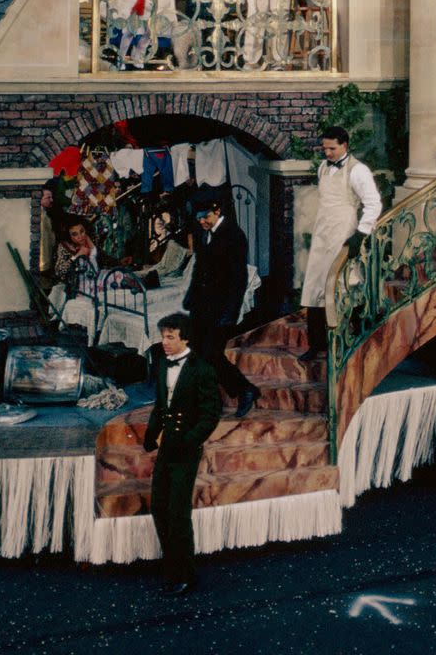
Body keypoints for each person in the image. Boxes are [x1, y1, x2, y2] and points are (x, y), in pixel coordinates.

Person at [143, 312, 222, 595]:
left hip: (186, 449)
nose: (164, 341)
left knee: (177, 512)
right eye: (163, 336)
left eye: (170, 337)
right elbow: (161, 405)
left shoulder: (202, 369)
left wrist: (189, 440)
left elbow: (211, 414)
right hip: (167, 447)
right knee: (159, 508)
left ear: (184, 338)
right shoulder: (163, 364)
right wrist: (150, 437)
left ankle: (185, 574)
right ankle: (171, 566)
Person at [299, 125, 382, 363]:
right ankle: (317, 344)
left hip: (343, 231)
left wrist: (360, 233)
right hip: (322, 231)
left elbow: (374, 204)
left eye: (332, 149)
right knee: (315, 285)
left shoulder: (358, 171)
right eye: (324, 148)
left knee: (343, 283)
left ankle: (351, 339)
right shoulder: (324, 168)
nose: (327, 153)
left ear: (345, 145)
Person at [181, 194, 260, 418]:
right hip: (201, 305)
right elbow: (199, 266)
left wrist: (231, 312)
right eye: (198, 218)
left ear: (216, 210)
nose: (202, 222)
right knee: (195, 352)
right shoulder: (202, 233)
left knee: (212, 354)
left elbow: (239, 278)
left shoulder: (234, 235)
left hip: (221, 308)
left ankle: (245, 390)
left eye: (205, 217)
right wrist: (190, 296)